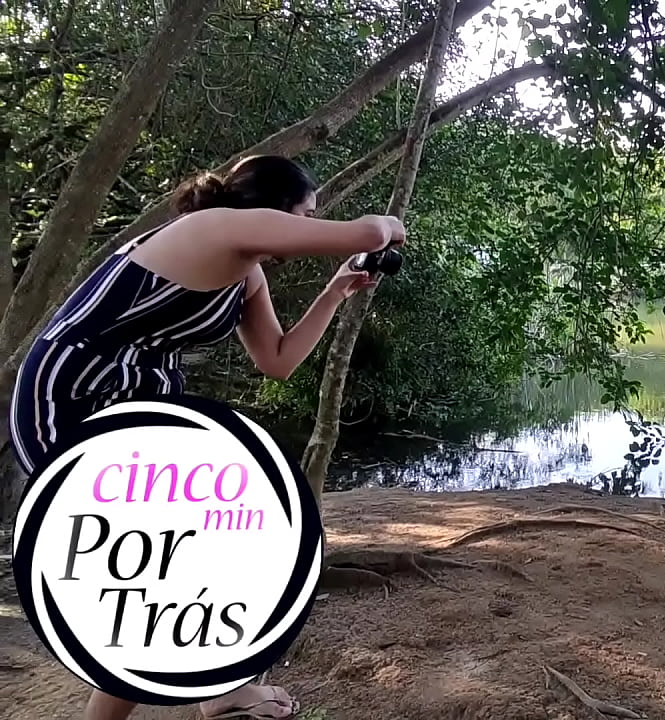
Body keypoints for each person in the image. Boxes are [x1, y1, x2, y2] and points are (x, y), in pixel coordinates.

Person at [9, 155, 405, 720]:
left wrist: (336, 291)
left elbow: (277, 360)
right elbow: (367, 232)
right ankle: (211, 688)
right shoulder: (213, 228)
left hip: (141, 406)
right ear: (275, 208)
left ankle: (220, 684)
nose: (308, 224)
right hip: (71, 399)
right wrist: (389, 227)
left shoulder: (247, 273)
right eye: (306, 213)